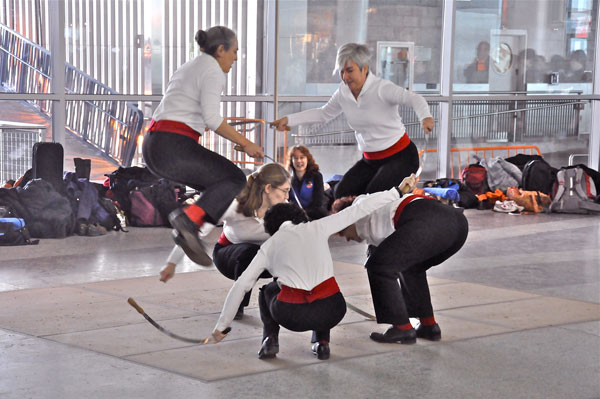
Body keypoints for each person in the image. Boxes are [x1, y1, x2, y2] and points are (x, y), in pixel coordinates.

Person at [207, 175, 418, 361]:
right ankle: (322, 343)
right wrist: (397, 191)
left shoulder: (269, 246)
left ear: (271, 226)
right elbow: (360, 209)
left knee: (268, 291)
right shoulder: (318, 227)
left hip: (291, 315)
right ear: (297, 216)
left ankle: (270, 340)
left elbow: (241, 286)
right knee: (321, 288)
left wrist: (221, 327)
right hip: (333, 310)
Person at [142, 26, 264, 267]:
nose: (236, 58)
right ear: (221, 50)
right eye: (234, 51)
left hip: (155, 146)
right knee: (235, 179)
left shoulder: (190, 65)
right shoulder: (213, 69)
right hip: (172, 147)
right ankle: (188, 222)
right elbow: (212, 118)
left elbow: (187, 112)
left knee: (219, 186)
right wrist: (247, 143)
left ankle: (191, 227)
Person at [270, 43, 433, 199]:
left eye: (349, 71)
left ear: (365, 69)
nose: (345, 77)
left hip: (401, 157)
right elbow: (323, 114)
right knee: (341, 193)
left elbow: (414, 99)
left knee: (373, 196)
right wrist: (289, 120)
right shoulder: (343, 92)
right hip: (370, 160)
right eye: (341, 72)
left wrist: (425, 117)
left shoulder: (382, 88)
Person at [331, 186, 469, 344]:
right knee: (411, 267)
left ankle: (402, 328)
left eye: (344, 233)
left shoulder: (359, 208)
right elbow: (385, 242)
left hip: (432, 223)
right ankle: (428, 326)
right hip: (457, 225)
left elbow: (378, 252)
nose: (348, 239)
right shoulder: (376, 207)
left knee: (378, 267)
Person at [159, 163, 291, 320]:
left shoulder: (285, 210)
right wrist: (172, 263)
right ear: (268, 188)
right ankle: (237, 304)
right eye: (285, 191)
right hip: (229, 257)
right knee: (250, 252)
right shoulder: (235, 204)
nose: (287, 196)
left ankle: (285, 301)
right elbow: (193, 233)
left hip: (263, 260)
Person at [286, 145, 327, 220]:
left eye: (302, 157)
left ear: (307, 159)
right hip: (293, 217)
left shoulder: (316, 176)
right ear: (291, 161)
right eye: (295, 158)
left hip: (314, 216)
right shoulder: (287, 178)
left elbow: (318, 203)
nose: (299, 161)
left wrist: (303, 214)